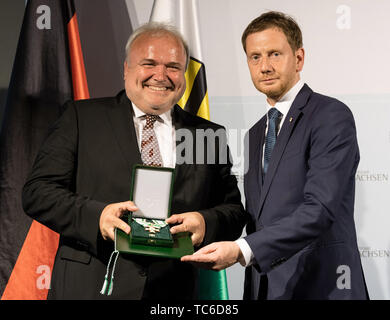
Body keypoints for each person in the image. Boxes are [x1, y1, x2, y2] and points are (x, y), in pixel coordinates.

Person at [22, 22, 246, 300]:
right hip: (91, 286)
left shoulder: (207, 135)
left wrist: (204, 222)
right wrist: (97, 217)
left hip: (172, 292)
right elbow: (37, 193)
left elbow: (234, 210)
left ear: (184, 75)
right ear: (127, 68)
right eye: (149, 63)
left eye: (173, 67)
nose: (161, 75)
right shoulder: (82, 118)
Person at [181, 11, 368, 300]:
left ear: (299, 58)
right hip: (266, 289)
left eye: (274, 54)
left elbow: (319, 210)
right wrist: (204, 222)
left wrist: (242, 249)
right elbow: (259, 218)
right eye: (255, 57)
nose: (264, 66)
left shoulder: (330, 116)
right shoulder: (255, 134)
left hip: (322, 287)